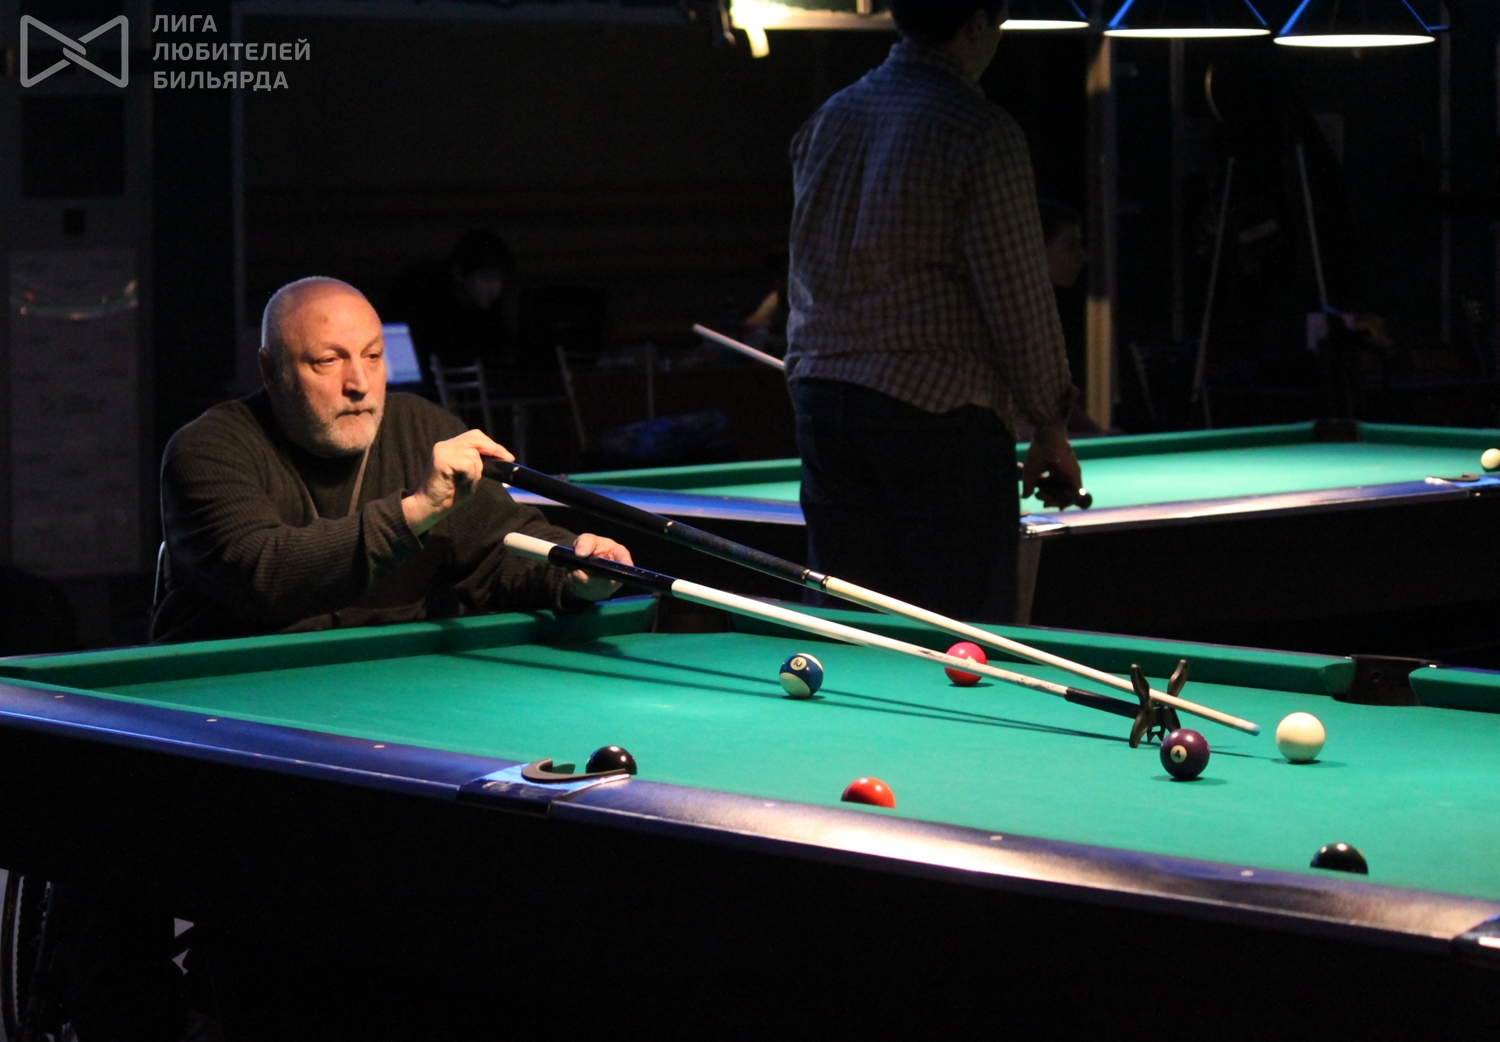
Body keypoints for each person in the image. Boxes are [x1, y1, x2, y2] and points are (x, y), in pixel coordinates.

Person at [785, 0, 1082, 623]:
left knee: (847, 627)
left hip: (824, 404)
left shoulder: (829, 118)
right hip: (936, 417)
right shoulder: (978, 130)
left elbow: (805, 272)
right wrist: (1049, 423)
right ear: (975, 24)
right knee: (960, 635)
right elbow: (1019, 301)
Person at [153, 276, 631, 643]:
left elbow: (500, 552)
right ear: (271, 369)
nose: (359, 384)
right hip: (225, 699)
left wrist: (575, 571)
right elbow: (265, 574)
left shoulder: (422, 428)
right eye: (328, 361)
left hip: (393, 686)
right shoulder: (207, 449)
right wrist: (416, 511)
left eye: (373, 356)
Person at [386, 229, 518, 375]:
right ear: (459, 274)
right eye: (486, 278)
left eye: (499, 279)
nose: (495, 289)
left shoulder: (488, 306)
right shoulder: (424, 299)